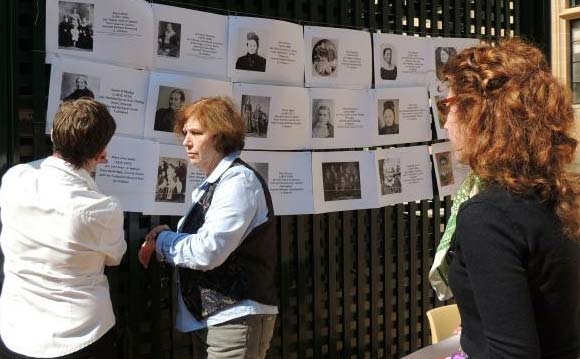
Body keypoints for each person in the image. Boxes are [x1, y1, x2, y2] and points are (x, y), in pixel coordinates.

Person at [433, 38, 580, 358]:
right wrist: (482, 326)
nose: (445, 123)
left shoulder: (488, 217)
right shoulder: (557, 197)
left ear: (479, 114)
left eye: (447, 106)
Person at [138, 97, 278, 359]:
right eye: (185, 133)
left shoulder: (239, 182)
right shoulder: (218, 182)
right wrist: (172, 236)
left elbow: (208, 251)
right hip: (216, 320)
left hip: (234, 321)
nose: (185, 141)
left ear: (220, 137)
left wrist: (165, 240)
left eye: (196, 133)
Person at [0, 98, 126, 358]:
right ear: (101, 151)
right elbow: (115, 257)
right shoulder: (102, 209)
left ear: (55, 136)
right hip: (80, 335)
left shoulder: (15, 178)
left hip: (16, 331)